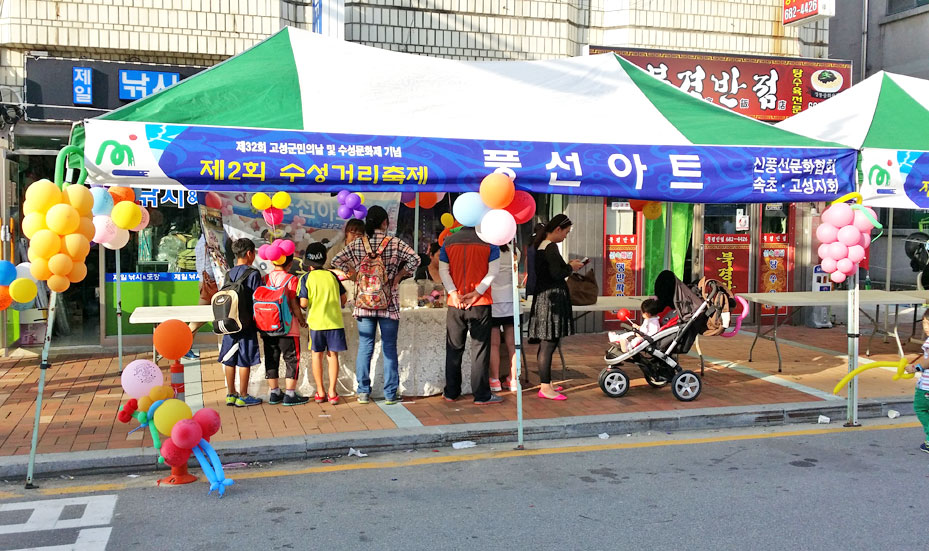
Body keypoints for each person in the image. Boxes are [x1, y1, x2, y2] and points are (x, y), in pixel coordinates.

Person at [331, 206, 420, 405]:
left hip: (364, 303)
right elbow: (415, 259)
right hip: (388, 303)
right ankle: (390, 393)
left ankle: (363, 391)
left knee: (365, 347)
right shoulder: (395, 243)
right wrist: (398, 275)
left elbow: (337, 260)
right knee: (389, 347)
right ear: (384, 223)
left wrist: (354, 274)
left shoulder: (358, 244)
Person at [439, 225, 502, 405]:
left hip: (455, 303)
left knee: (453, 348)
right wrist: (477, 292)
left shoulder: (448, 241)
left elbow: (444, 271)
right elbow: (493, 272)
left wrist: (452, 293)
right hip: (480, 303)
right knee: (480, 350)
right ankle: (481, 395)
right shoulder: (490, 242)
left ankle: (451, 392)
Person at [527, 214, 584, 401]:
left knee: (546, 344)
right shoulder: (550, 247)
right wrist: (570, 268)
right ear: (558, 229)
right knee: (549, 344)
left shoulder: (541, 245)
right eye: (566, 232)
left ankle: (547, 382)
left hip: (544, 298)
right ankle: (545, 386)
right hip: (550, 300)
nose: (566, 236)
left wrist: (567, 266)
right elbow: (556, 273)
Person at [300, 243, 348, 405]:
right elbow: (343, 298)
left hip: (316, 324)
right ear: (324, 258)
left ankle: (320, 392)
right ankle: (333, 392)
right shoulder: (332, 276)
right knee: (333, 356)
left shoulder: (306, 278)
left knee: (316, 355)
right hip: (334, 322)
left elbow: (304, 303)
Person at [218, 238, 264, 408]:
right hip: (246, 323)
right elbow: (257, 299)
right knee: (244, 359)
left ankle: (231, 393)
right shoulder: (253, 273)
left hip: (229, 322)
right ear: (250, 253)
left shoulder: (229, 273)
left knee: (229, 358)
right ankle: (243, 395)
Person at [262, 253, 309, 406]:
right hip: (288, 328)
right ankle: (290, 394)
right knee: (291, 359)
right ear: (289, 265)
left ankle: (274, 392)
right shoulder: (292, 279)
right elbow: (295, 304)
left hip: (267, 326)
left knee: (271, 358)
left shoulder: (265, 279)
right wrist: (301, 320)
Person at [489, 244, 519, 392]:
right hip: (511, 299)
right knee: (512, 344)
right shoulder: (514, 249)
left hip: (493, 299)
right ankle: (513, 380)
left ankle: (494, 380)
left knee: (494, 344)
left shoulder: (489, 249)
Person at [186, 234, 216, 359]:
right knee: (199, 319)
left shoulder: (202, 241)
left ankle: (183, 345)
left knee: (201, 317)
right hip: (211, 283)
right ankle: (183, 345)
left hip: (206, 282)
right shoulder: (209, 240)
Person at [904, 310, 929, 454]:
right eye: (924, 323)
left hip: (926, 387)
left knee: (920, 408)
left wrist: (915, 367)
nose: (926, 327)